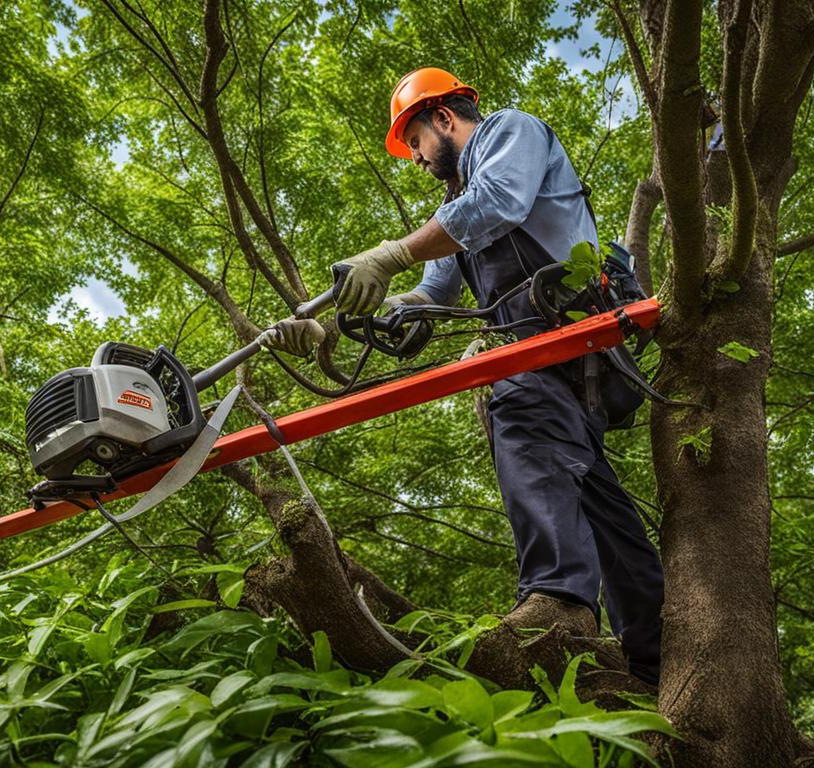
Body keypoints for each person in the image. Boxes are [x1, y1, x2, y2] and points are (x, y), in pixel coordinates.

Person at [263, 67, 664, 685]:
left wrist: (392, 252)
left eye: (415, 142)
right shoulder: (454, 211)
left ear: (445, 118)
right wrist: (332, 327)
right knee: (594, 497)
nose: (417, 159)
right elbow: (429, 299)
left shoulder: (511, 132)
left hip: (567, 339)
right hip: (546, 359)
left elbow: (499, 202)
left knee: (518, 412)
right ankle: (654, 656)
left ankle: (558, 602)